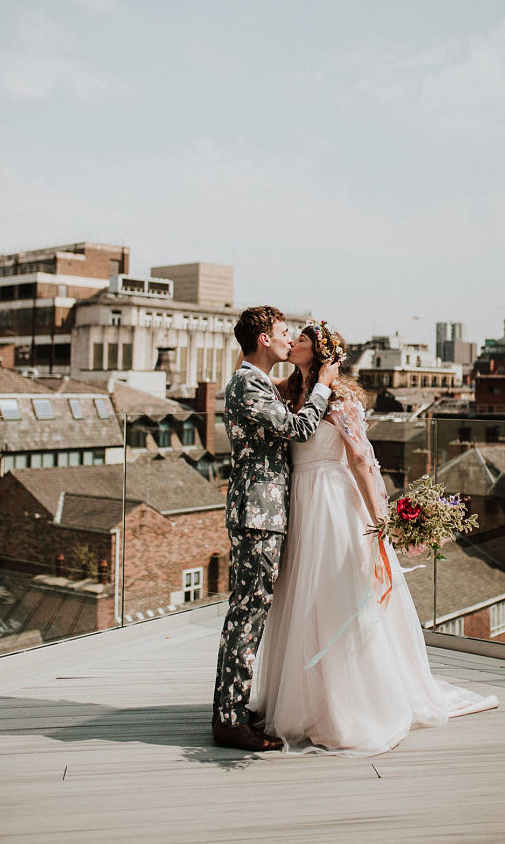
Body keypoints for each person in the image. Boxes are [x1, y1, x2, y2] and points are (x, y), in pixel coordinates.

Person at [249, 319, 498, 756]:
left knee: (334, 595)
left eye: (302, 339)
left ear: (322, 352)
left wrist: (379, 519)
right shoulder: (288, 394)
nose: (294, 343)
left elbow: (361, 459)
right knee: (301, 598)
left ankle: (351, 701)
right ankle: (304, 700)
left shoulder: (339, 398)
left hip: (331, 503)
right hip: (299, 500)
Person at [211, 306, 339, 751]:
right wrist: (322, 387)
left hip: (263, 512)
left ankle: (232, 706)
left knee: (250, 609)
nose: (289, 338)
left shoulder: (259, 382)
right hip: (258, 513)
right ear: (264, 339)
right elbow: (300, 429)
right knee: (248, 612)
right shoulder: (247, 382)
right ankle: (229, 719)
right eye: (284, 332)